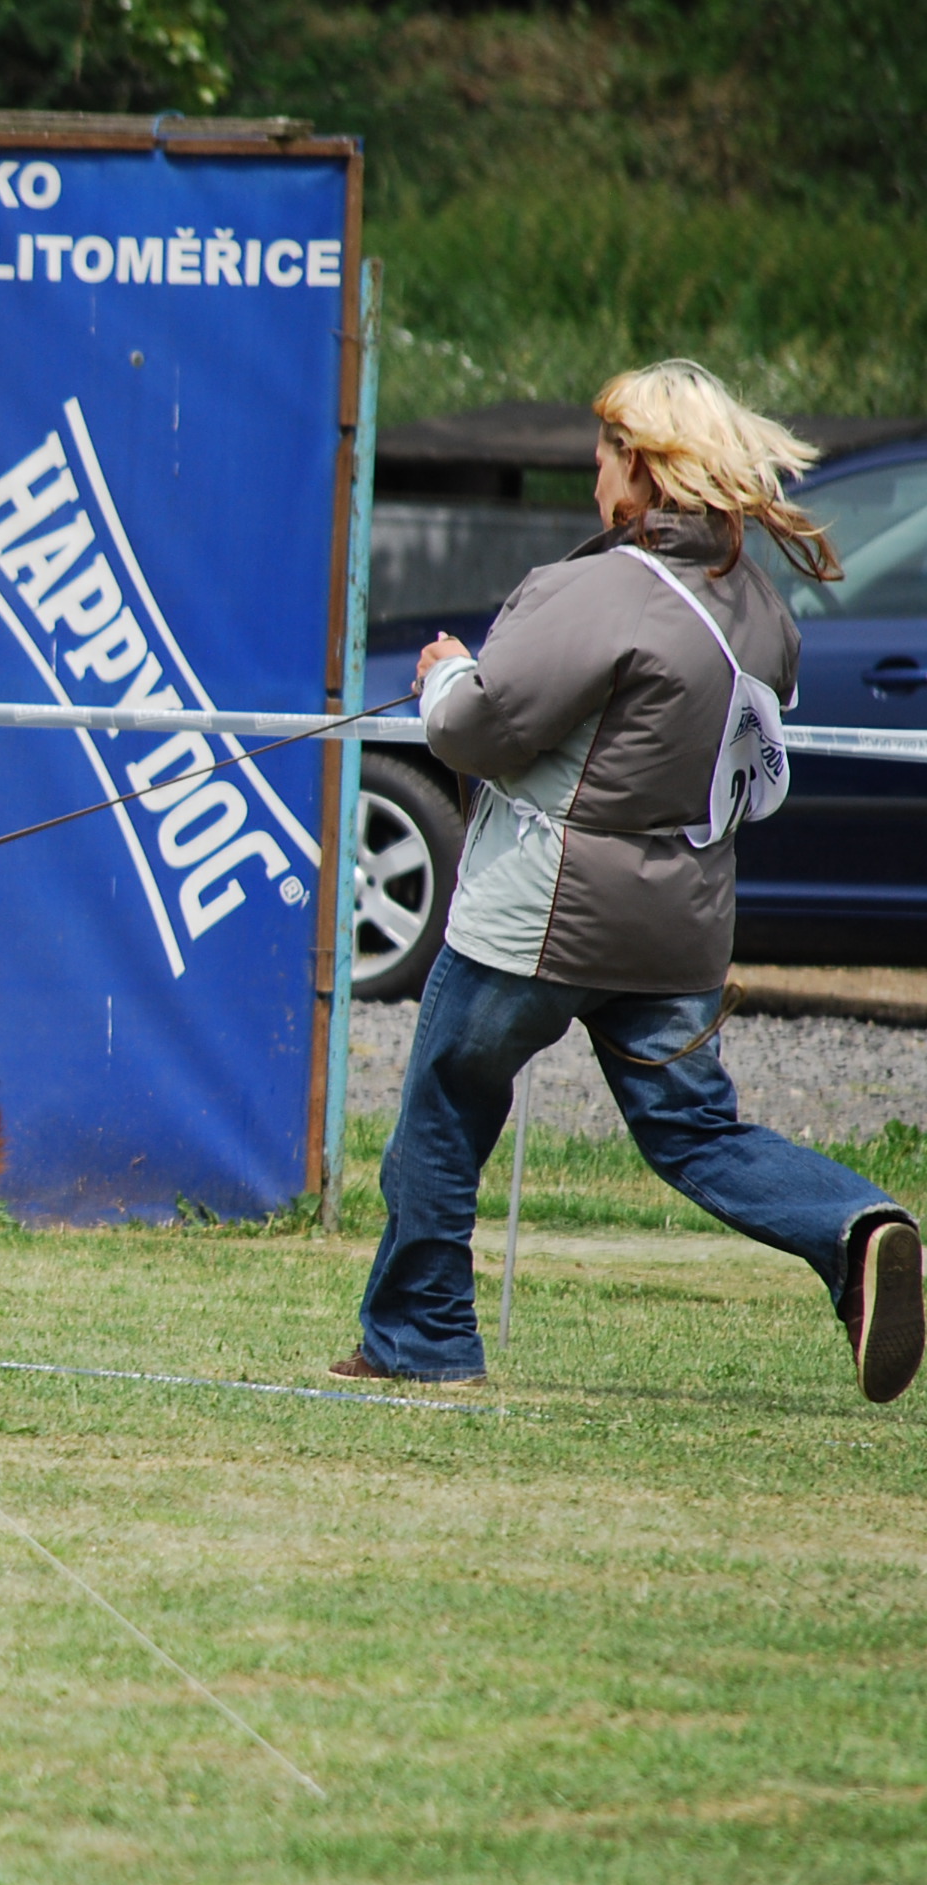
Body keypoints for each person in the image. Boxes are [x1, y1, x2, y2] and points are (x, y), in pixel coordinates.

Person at [344, 359, 922, 1400]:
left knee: (442, 1105)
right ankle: (855, 1227)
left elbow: (481, 732)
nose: (593, 470)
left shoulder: (599, 588)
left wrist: (440, 678)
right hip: (679, 927)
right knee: (695, 1132)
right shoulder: (754, 605)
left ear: (645, 471)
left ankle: (418, 1341)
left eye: (607, 452)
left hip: (542, 915)